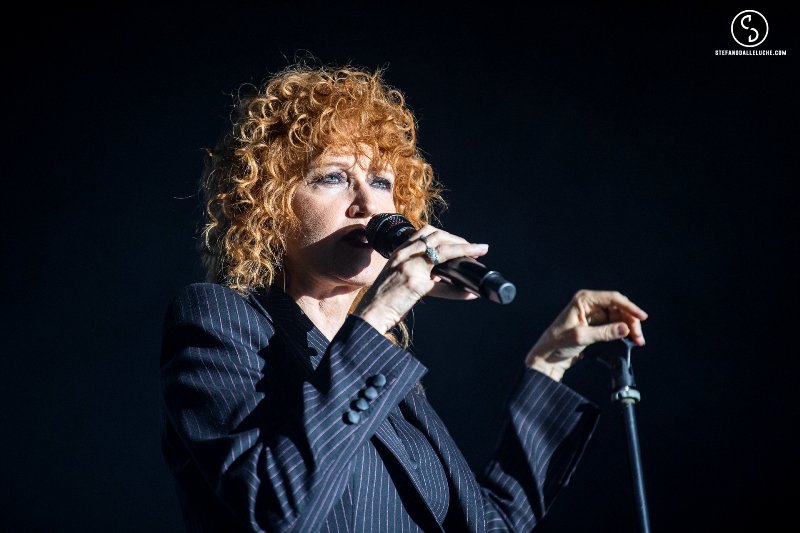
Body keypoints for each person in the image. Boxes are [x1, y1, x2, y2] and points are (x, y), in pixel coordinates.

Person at [160, 64, 648, 533]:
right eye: (333, 177)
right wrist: (382, 311)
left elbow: (487, 524)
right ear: (268, 208)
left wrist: (549, 364)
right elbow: (271, 507)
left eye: (381, 182)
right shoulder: (218, 318)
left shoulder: (385, 370)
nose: (369, 206)